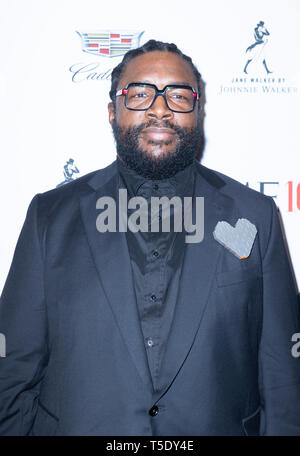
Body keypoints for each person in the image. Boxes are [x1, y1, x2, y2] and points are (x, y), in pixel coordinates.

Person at [0, 39, 299, 436]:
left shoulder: (255, 214)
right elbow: (12, 371)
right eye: (140, 94)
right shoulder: (50, 216)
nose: (160, 108)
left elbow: (283, 378)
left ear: (199, 112)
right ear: (112, 112)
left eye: (178, 96)